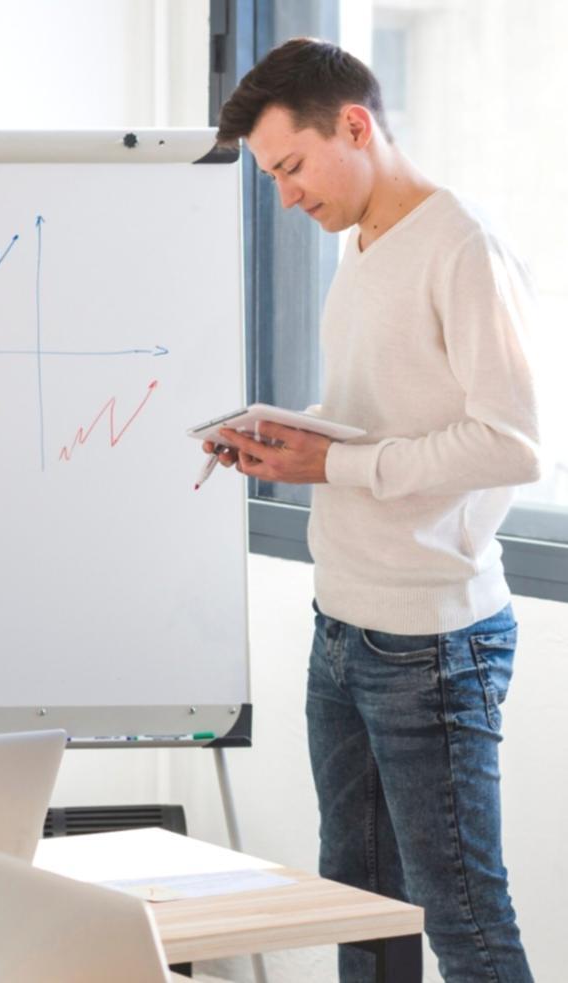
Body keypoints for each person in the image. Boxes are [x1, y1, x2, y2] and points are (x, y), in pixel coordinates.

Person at [209, 39, 540, 982]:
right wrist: (286, 434)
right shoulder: (360, 243)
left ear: (353, 126)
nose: (285, 197)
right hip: (344, 625)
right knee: (357, 908)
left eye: (291, 167)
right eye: (272, 177)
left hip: (430, 641)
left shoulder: (461, 246)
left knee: (464, 922)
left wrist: (339, 461)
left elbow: (511, 443)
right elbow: (383, 412)